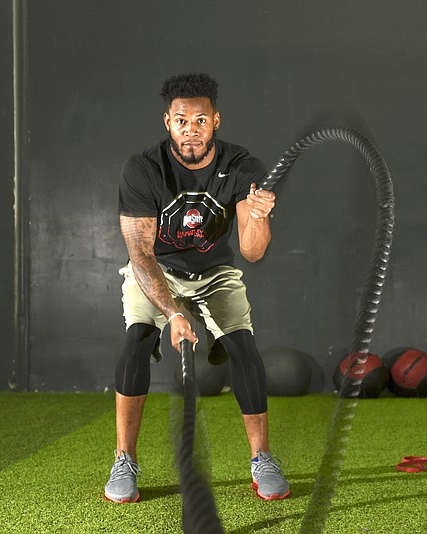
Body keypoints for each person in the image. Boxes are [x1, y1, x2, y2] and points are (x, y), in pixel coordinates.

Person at [105, 72, 290, 503]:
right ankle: (124, 459)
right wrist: (172, 313)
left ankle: (262, 458)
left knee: (243, 347)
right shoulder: (142, 169)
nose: (192, 129)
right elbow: (141, 254)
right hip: (158, 269)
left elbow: (252, 252)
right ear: (167, 122)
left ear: (216, 121)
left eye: (201, 120)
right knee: (136, 341)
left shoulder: (244, 168)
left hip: (214, 273)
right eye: (182, 120)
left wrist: (258, 217)